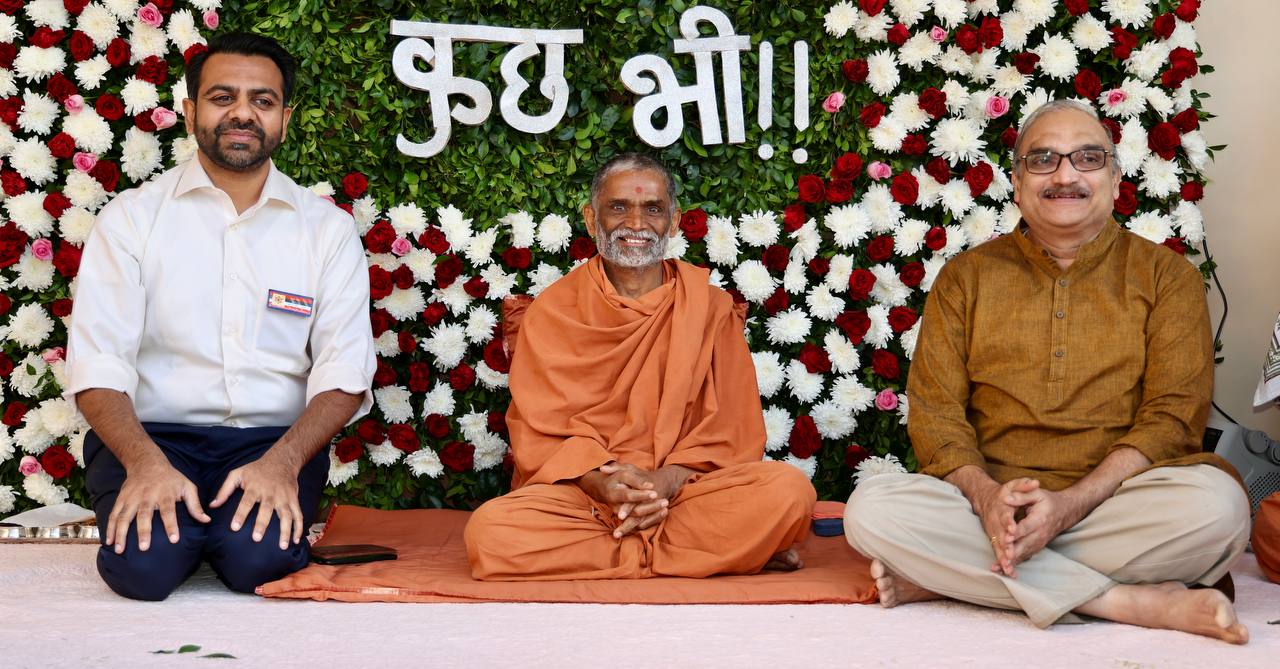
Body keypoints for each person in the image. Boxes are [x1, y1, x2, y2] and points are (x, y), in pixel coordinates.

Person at [843, 100, 1251, 643]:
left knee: (1218, 509)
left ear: (1114, 178)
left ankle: (956, 578)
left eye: (1087, 158)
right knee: (870, 510)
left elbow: (1172, 420)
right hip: (987, 508)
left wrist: (1069, 505)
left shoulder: (1166, 277)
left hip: (1115, 502)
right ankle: (1124, 600)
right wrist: (987, 499)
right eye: (1043, 160)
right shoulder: (966, 277)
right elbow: (937, 417)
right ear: (1016, 183)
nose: (1064, 176)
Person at [64, 32, 375, 600]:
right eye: (222, 97)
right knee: (142, 570)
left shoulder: (326, 230)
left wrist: (283, 464)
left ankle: (219, 532)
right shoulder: (131, 220)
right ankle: (183, 531)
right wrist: (144, 464)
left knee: (261, 563)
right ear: (190, 113)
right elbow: (97, 365)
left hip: (273, 443)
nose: (242, 113)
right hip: (151, 438)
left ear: (284, 119)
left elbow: (345, 372)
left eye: (263, 100)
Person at [464, 154, 815, 580]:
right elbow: (542, 436)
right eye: (618, 207)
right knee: (490, 533)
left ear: (674, 221)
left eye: (652, 208)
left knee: (789, 491)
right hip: (586, 497)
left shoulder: (708, 309)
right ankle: (709, 553)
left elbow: (732, 435)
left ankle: (638, 551)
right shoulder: (553, 313)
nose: (636, 223)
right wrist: (602, 484)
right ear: (591, 219)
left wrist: (662, 483)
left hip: (683, 492)